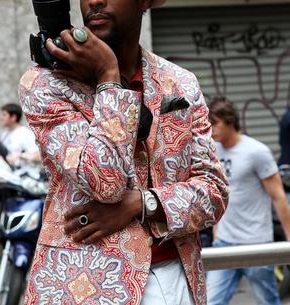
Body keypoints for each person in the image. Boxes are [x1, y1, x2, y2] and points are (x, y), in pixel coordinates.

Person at [18, 0, 229, 304]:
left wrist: (142, 204)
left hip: (179, 279)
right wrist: (108, 77)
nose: (95, 1)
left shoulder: (180, 82)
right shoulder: (45, 84)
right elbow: (104, 182)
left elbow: (215, 192)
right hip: (89, 287)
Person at [206, 97, 290, 305]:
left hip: (256, 244)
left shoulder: (257, 152)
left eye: (215, 123)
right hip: (224, 244)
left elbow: (278, 197)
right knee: (210, 301)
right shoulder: (212, 150)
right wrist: (216, 230)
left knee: (267, 301)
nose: (211, 129)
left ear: (230, 121)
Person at [0, 103, 40, 170]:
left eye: (4, 115)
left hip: (26, 176)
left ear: (13, 117)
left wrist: (20, 156)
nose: (1, 118)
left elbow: (38, 157)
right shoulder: (4, 134)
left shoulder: (25, 133)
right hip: (9, 174)